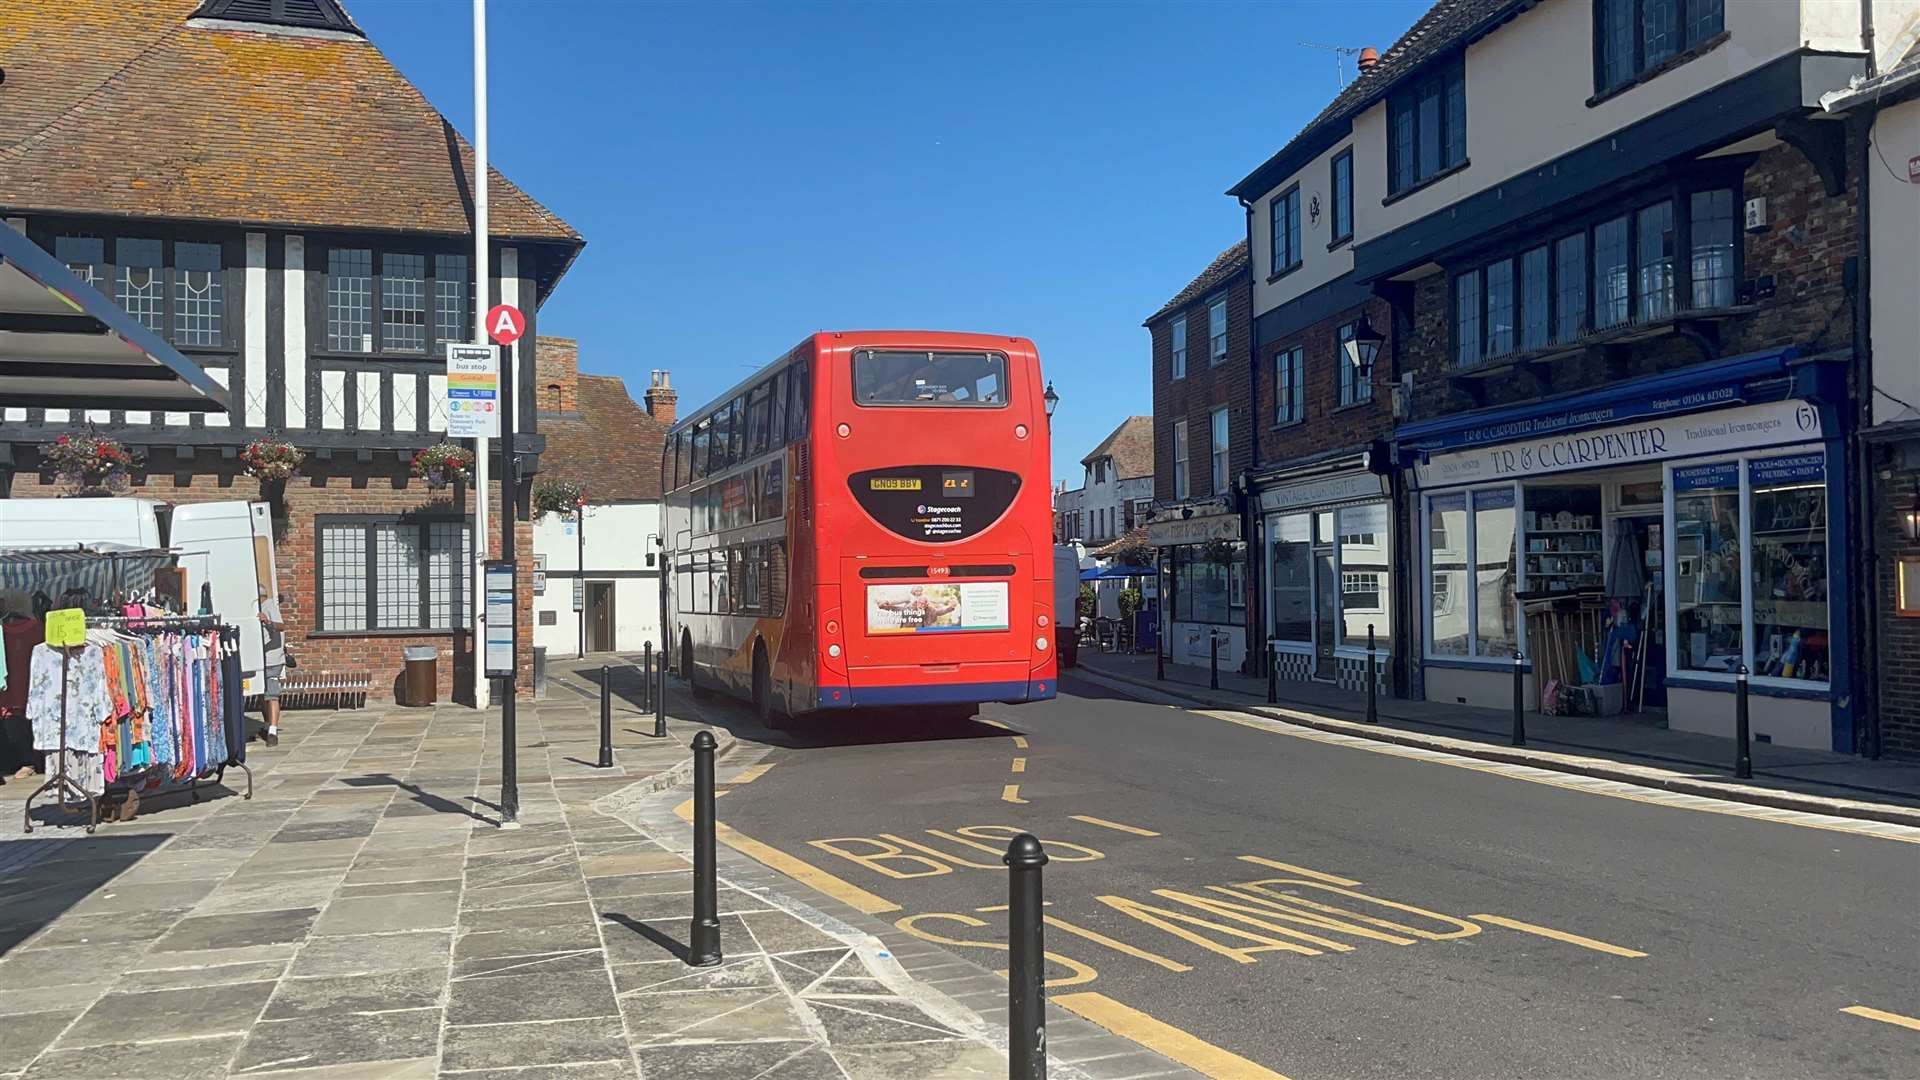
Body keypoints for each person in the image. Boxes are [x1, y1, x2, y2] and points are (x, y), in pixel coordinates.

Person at [258, 585, 285, 747]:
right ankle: (268, 725)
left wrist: (267, 621)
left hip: (272, 660)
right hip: (261, 659)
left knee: (272, 694)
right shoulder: (263, 606)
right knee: (264, 694)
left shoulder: (269, 606)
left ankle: (273, 732)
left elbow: (282, 626)